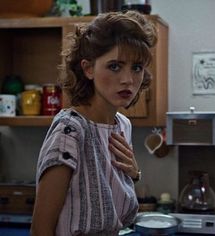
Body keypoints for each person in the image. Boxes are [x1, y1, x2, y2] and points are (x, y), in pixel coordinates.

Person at [31, 10, 157, 236]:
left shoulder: (122, 125)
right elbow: (41, 229)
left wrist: (135, 174)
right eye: (115, 66)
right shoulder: (70, 130)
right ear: (88, 69)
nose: (128, 79)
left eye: (136, 68)